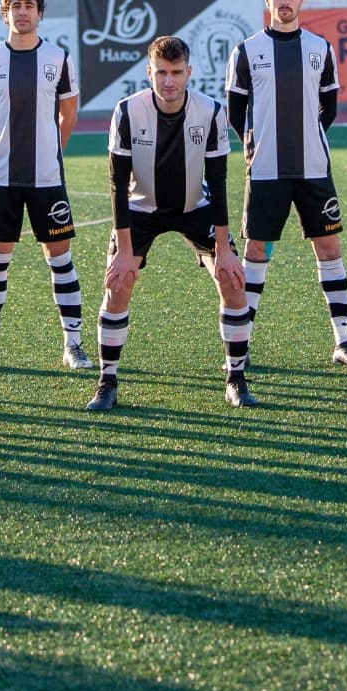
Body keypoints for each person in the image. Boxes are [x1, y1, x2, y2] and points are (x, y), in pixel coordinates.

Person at [225, 0, 347, 370]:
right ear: (267, 2)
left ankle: (344, 341)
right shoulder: (246, 51)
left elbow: (330, 107)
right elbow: (238, 113)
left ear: (302, 0)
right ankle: (243, 342)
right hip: (266, 170)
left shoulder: (320, 48)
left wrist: (306, 136)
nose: (285, 2)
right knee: (256, 251)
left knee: (329, 248)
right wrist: (260, 143)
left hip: (313, 170)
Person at [99, 35, 247, 410]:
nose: (168, 81)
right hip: (140, 209)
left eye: (176, 73)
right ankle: (107, 381)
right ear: (149, 72)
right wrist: (123, 252)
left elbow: (218, 181)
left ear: (189, 72)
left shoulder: (210, 111)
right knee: (119, 284)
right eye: (161, 72)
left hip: (195, 207)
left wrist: (225, 249)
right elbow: (117, 185)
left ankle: (236, 378)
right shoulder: (127, 111)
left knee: (232, 279)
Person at [0, 0, 86, 371]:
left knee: (61, 260)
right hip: (1, 178)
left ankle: (73, 345)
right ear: (6, 13)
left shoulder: (58, 58)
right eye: (15, 6)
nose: (22, 12)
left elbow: (68, 115)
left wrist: (50, 150)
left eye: (29, 5)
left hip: (47, 179)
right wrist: (1, 150)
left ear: (40, 13)